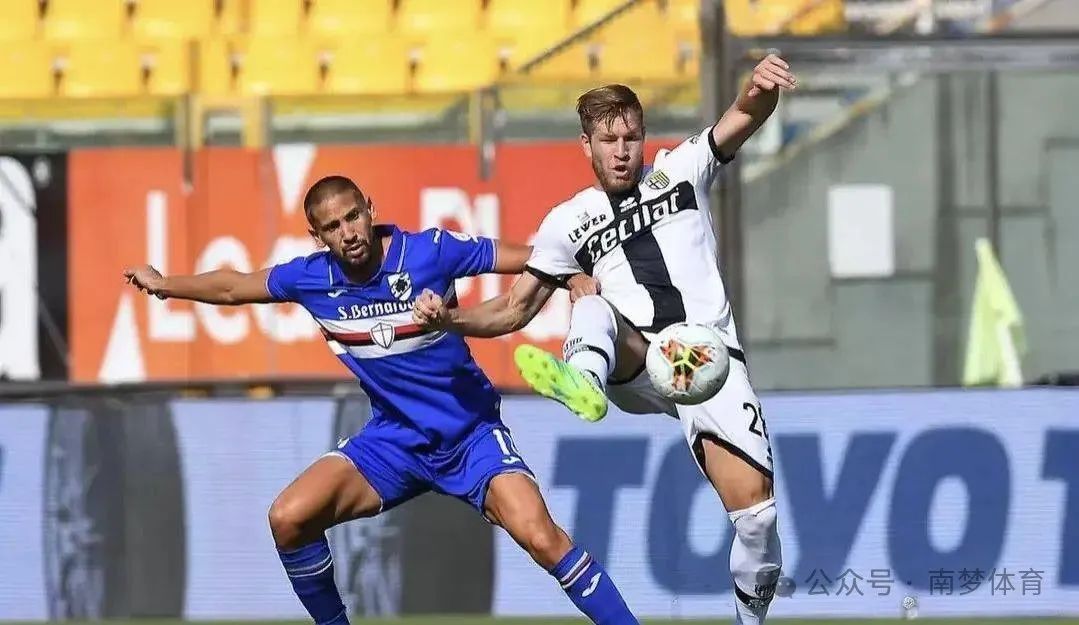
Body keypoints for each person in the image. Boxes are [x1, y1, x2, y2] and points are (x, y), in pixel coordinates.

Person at [123, 175, 639, 625]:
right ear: (318, 236)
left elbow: (528, 258)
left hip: (470, 437)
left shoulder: (429, 251)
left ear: (370, 209)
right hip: (394, 443)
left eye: (353, 216)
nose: (348, 232)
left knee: (544, 539)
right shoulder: (311, 279)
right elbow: (235, 288)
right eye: (332, 226)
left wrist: (572, 276)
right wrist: (167, 285)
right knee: (288, 518)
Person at [412, 55, 796, 625]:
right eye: (608, 139)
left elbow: (744, 112)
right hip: (636, 358)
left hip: (709, 362)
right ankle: (582, 381)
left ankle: (751, 620)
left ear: (644, 139)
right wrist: (452, 320)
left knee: (758, 522)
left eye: (631, 137)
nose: (622, 150)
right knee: (589, 301)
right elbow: (515, 308)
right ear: (585, 146)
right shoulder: (568, 223)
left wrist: (761, 88)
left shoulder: (682, 170)